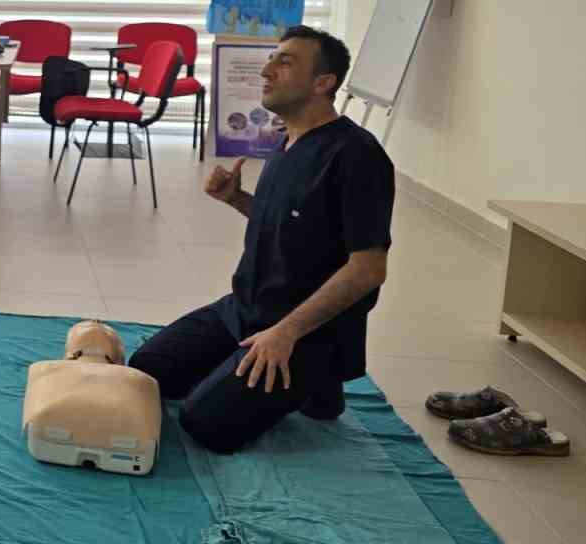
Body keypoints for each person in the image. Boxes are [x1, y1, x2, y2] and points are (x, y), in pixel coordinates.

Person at [128, 26, 394, 455]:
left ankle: (316, 380)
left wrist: (286, 332)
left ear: (323, 82)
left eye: (285, 61)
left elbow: (368, 269)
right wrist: (236, 199)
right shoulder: (286, 141)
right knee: (147, 371)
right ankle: (275, 379)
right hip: (244, 309)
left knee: (205, 424)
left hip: (305, 332)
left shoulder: (357, 156)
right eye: (273, 58)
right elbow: (291, 224)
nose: (267, 70)